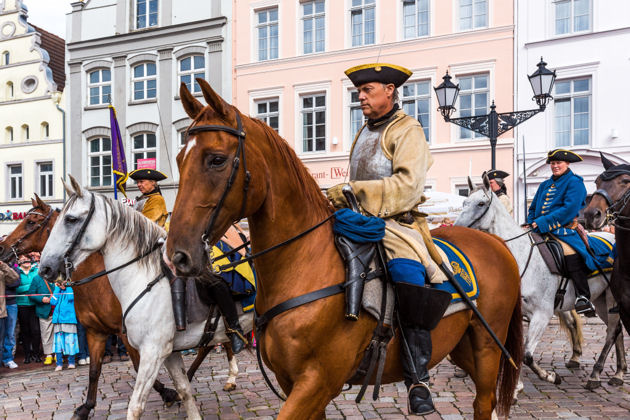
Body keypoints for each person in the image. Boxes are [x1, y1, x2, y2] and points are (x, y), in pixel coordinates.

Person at [326, 63, 452, 415]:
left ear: (390, 91)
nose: (361, 97)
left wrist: (353, 190)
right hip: (358, 221)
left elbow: (408, 186)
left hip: (397, 225)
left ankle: (418, 378)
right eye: (358, 92)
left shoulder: (408, 129)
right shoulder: (364, 131)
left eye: (367, 90)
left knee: (408, 278)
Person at [526, 149, 596, 316]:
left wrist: (542, 222)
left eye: (558, 163)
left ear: (567, 164)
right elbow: (533, 208)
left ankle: (583, 297)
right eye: (552, 163)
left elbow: (569, 209)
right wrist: (531, 222)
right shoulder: (544, 185)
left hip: (564, 231)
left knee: (570, 254)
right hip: (539, 230)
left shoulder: (575, 182)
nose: (555, 166)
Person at [15, 255, 43, 364]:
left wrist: (28, 288)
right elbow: (16, 288)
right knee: (25, 331)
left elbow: (39, 286)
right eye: (23, 260)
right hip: (22, 305)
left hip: (35, 304)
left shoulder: (36, 271)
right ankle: (27, 355)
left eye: (27, 259)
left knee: (36, 331)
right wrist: (30, 287)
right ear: (19, 262)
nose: (26, 261)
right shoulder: (16, 272)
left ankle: (36, 354)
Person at [27, 262, 56, 365]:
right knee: (46, 333)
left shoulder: (57, 277)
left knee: (58, 332)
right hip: (44, 310)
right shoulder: (37, 278)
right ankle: (48, 355)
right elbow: (30, 293)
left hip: (58, 310)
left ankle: (58, 353)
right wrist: (41, 298)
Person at [51, 282, 79, 371]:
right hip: (58, 322)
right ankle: (59, 364)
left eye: (64, 283)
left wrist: (68, 287)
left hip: (69, 321)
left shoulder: (70, 291)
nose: (62, 284)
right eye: (60, 283)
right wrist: (57, 289)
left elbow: (71, 298)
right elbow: (53, 301)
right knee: (58, 344)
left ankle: (71, 362)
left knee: (70, 342)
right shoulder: (58, 291)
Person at [0, 260, 20, 369]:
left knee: (9, 333)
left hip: (8, 304)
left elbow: (15, 280)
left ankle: (8, 358)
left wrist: (3, 266)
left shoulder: (11, 264)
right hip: (3, 305)